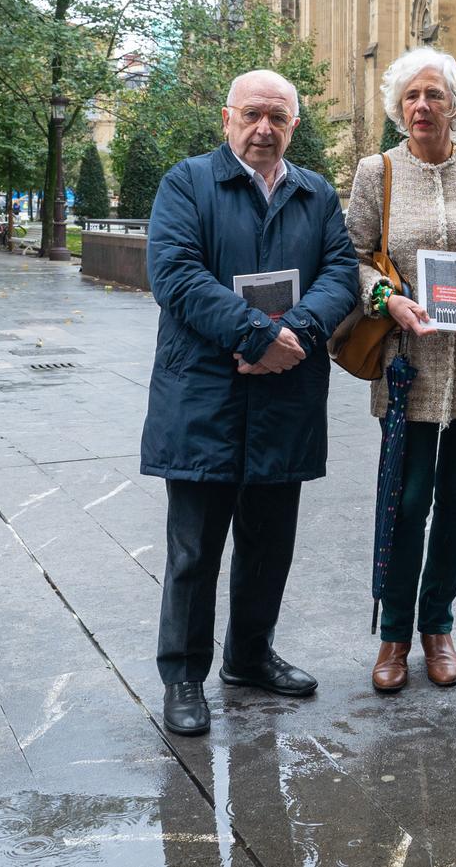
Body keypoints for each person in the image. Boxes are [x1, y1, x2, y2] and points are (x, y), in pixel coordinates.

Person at [143, 69, 358, 736]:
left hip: (284, 395)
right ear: (228, 118)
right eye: (252, 115)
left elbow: (341, 272)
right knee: (194, 551)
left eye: (278, 117)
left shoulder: (315, 192)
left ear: (294, 125)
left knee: (269, 543)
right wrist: (257, 335)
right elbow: (175, 274)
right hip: (203, 394)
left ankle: (249, 655)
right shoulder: (188, 183)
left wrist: (297, 333)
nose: (264, 128)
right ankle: (184, 675)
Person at [345, 47, 456, 693]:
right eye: (411, 96)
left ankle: (438, 627)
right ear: (399, 108)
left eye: (434, 95)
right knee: (406, 499)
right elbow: (352, 256)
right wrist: (384, 299)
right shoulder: (377, 172)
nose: (422, 106)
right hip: (408, 364)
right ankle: (395, 634)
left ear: (455, 105)